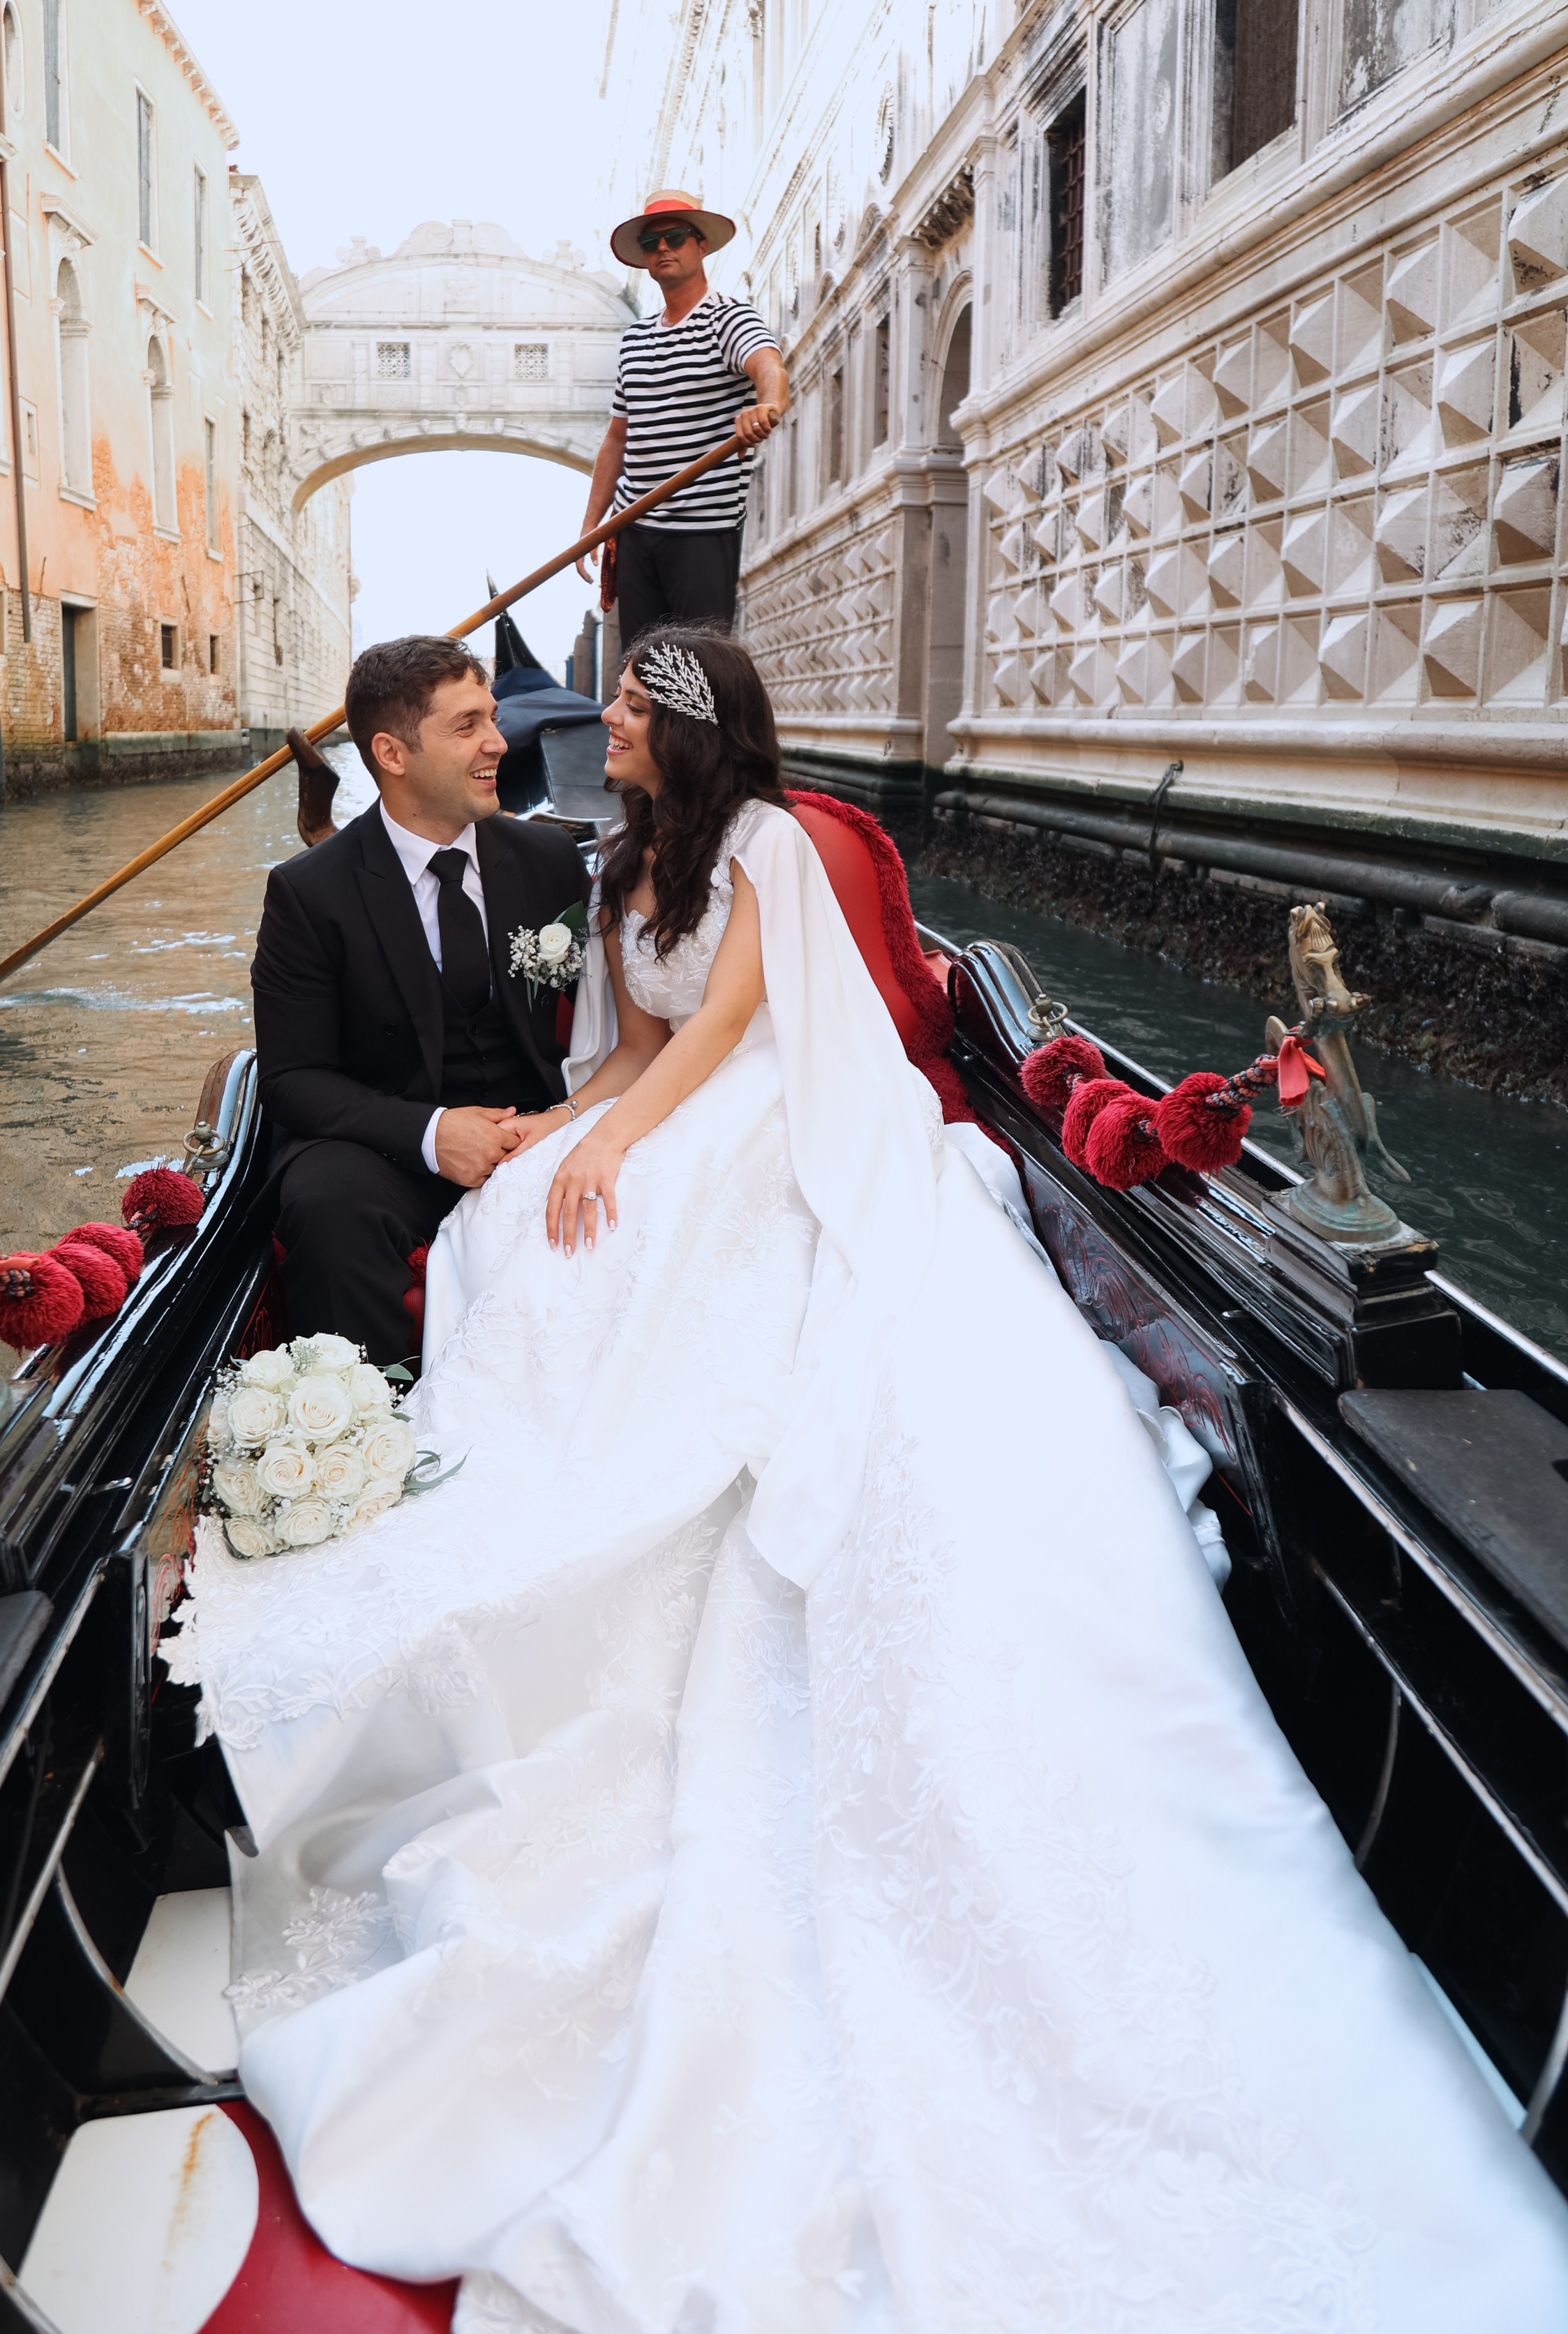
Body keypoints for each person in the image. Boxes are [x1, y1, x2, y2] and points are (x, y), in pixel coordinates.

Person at [179, 628, 1568, 2331]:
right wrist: (560, 1132)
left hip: (764, 1115)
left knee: (656, 1224)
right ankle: (532, 1451)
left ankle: (661, 1458)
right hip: (647, 1104)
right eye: (506, 715)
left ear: (685, 728)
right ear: (394, 750)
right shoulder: (601, 862)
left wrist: (615, 1136)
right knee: (520, 1236)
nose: (584, 720)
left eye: (624, 706)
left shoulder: (760, 845)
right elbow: (622, 1046)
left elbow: (720, 1032)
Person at [249, 634, 588, 1364]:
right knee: (325, 1199)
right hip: (391, 1151)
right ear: (392, 754)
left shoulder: (551, 860)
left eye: (492, 717)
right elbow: (292, 1078)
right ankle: (365, 1407)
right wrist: (433, 1133)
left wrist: (556, 1123)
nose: (498, 742)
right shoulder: (308, 893)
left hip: (540, 1133)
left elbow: (601, 1024)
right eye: (467, 725)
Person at [578, 188, 789, 648]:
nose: (663, 248)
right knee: (641, 667)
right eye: (651, 242)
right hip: (635, 527)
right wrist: (592, 527)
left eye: (675, 237)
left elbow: (769, 367)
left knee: (700, 666)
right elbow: (617, 439)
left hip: (703, 528)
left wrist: (767, 406)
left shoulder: (729, 319)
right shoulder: (635, 339)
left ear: (701, 245)